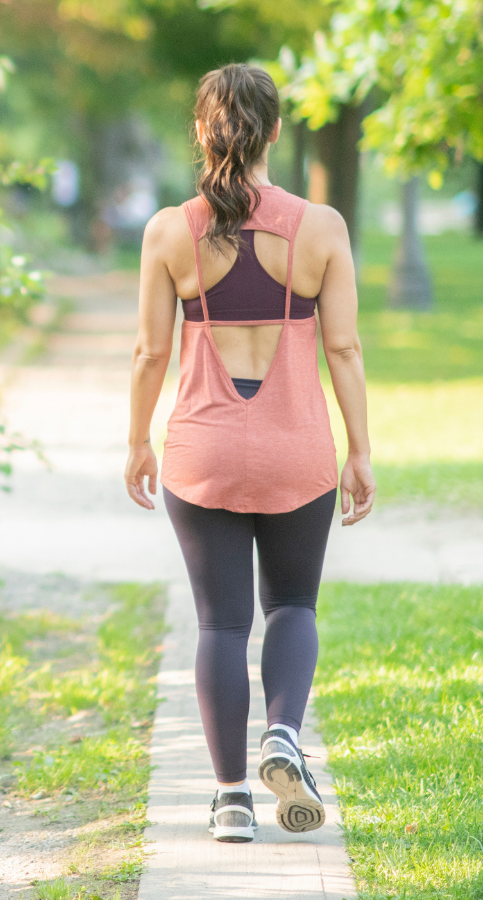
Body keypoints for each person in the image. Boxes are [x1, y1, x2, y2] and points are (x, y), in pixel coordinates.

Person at [124, 64, 376, 844]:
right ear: (275, 132)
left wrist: (137, 440)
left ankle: (231, 799)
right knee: (293, 606)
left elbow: (147, 354)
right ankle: (283, 736)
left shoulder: (170, 232)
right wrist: (360, 451)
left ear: (202, 132)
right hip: (297, 448)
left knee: (221, 627)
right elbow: (344, 347)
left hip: (201, 455)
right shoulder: (321, 227)